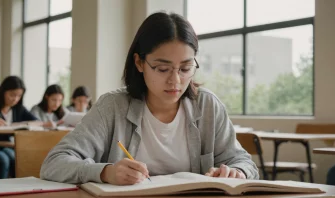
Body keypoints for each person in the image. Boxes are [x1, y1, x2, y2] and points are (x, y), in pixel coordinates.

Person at [40, 12, 259, 185]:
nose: (175, 81)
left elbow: (244, 163)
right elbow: (54, 163)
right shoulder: (112, 107)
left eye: (185, 68)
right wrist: (106, 172)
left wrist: (237, 172)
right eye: (162, 68)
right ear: (139, 63)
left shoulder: (208, 106)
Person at [0, 76, 37, 178]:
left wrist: (19, 124)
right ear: (3, 92)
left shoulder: (18, 109)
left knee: (17, 158)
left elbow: (37, 121)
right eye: (12, 95)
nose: (15, 99)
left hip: (8, 146)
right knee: (3, 160)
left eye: (19, 96)